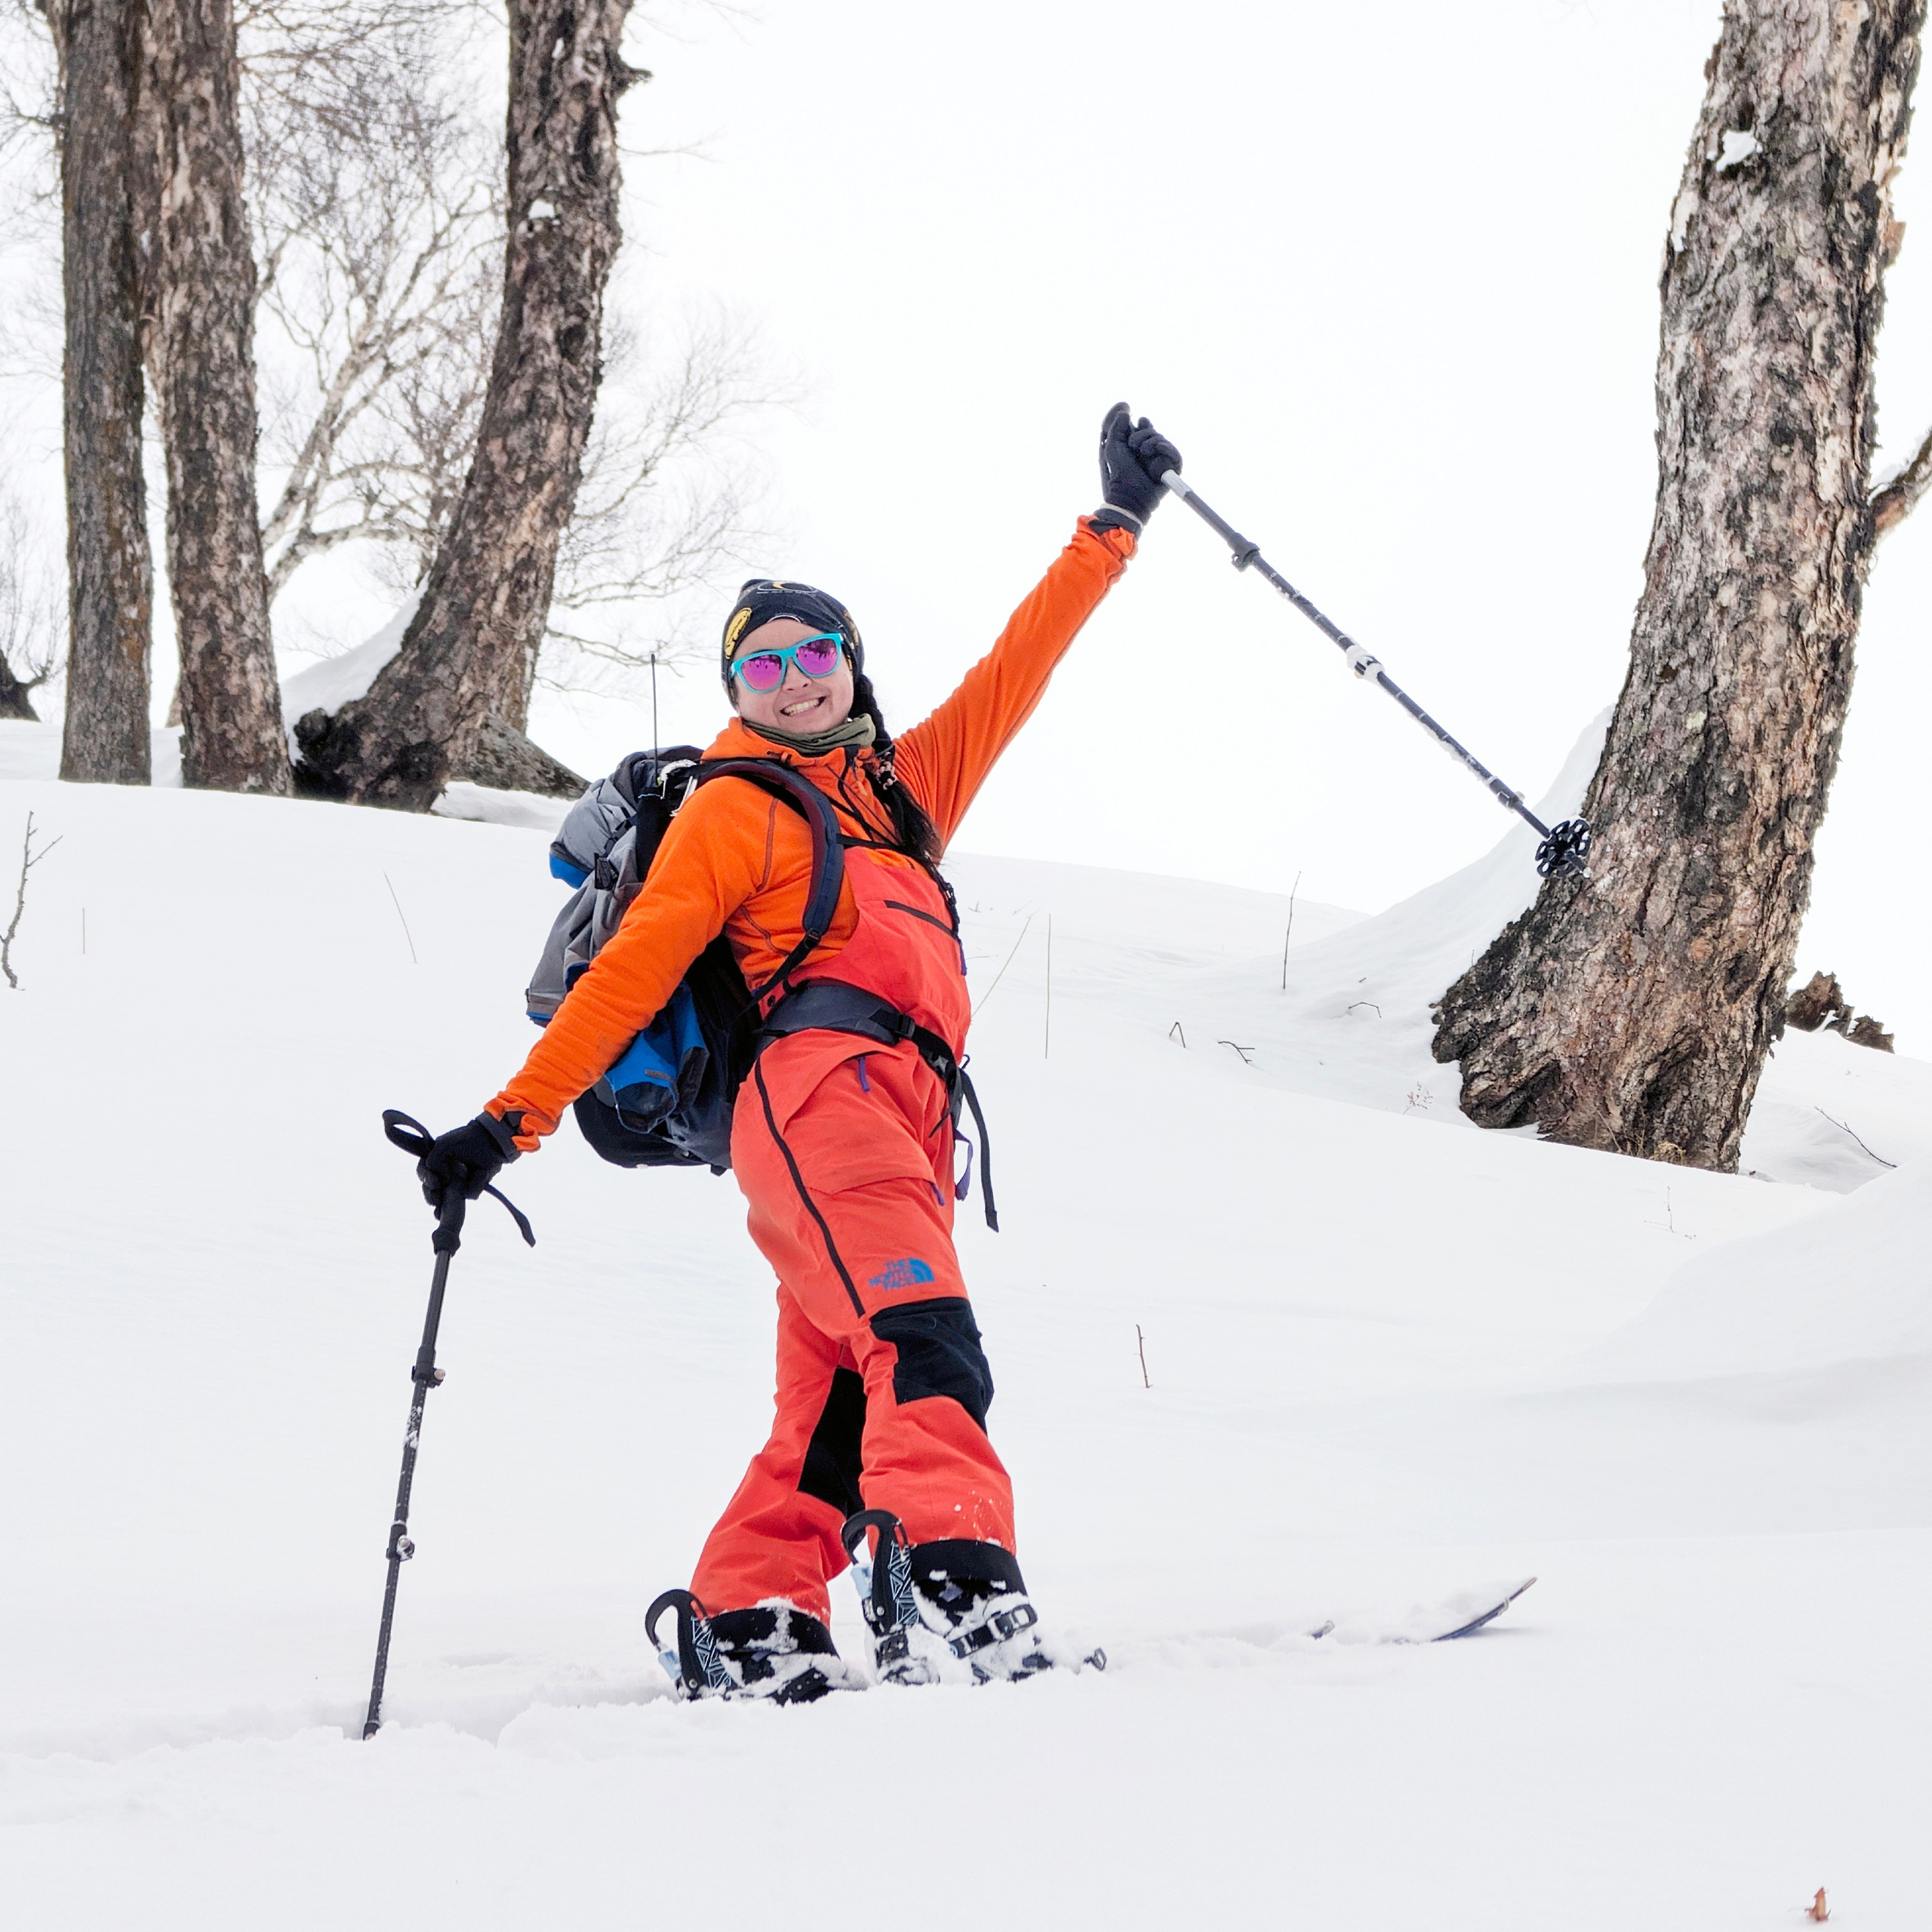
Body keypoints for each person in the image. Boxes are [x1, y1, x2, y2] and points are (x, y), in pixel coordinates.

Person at [417, 402, 1182, 1701]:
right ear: (737, 697)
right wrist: (507, 1124)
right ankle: (959, 1582)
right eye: (760, 667)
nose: (792, 678)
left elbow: (1015, 672)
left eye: (814, 652)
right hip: (818, 1095)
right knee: (925, 1339)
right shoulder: (735, 806)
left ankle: (753, 1615)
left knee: (834, 1401)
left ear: (851, 666)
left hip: (909, 1118)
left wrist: (1111, 526)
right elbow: (629, 975)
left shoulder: (900, 793)